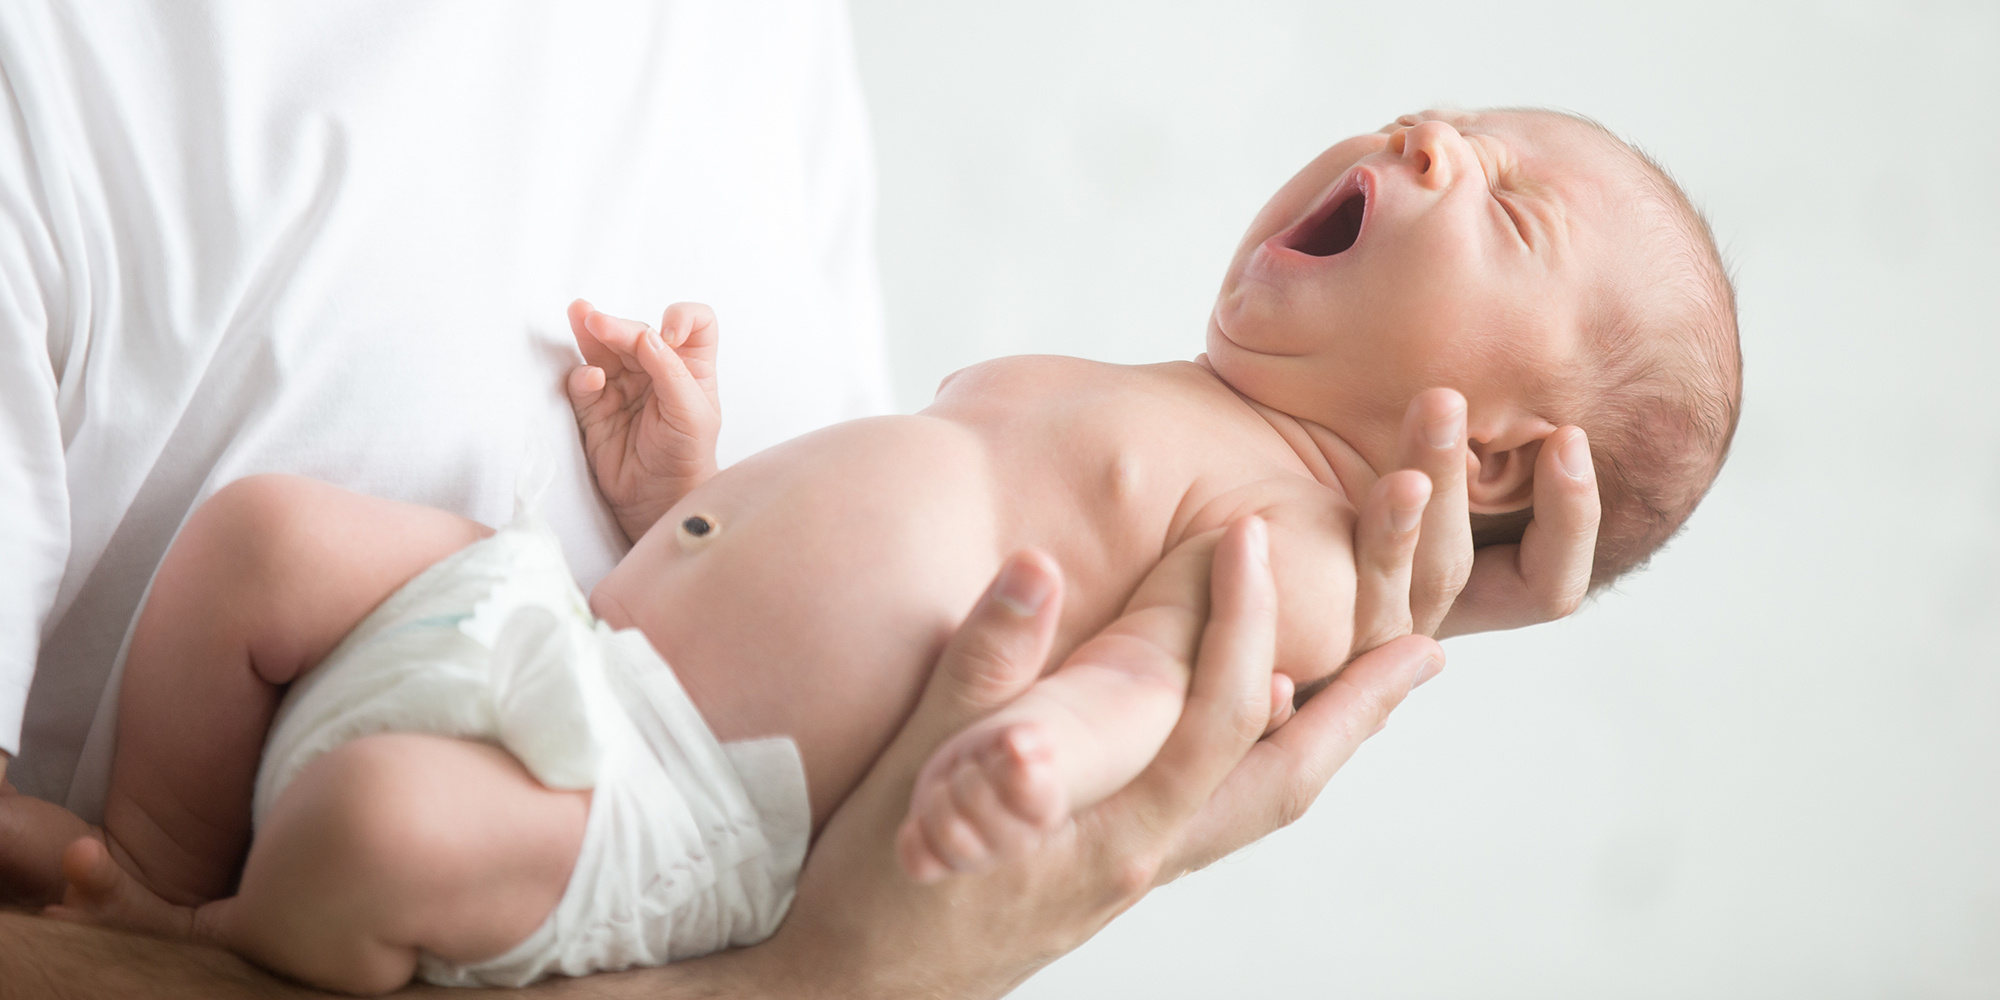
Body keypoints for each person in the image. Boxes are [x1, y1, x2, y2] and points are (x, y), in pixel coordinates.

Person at [7, 108, 1733, 992]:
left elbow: (1167, 680)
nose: (1426, 140)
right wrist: (685, 477)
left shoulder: (1298, 530)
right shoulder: (1132, 385)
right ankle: (134, 859)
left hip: (659, 804)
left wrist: (1041, 752)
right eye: (1444, 117)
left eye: (1505, 205)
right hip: (561, 621)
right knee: (263, 539)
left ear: (1499, 451)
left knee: (373, 832)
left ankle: (215, 942)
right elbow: (853, 537)